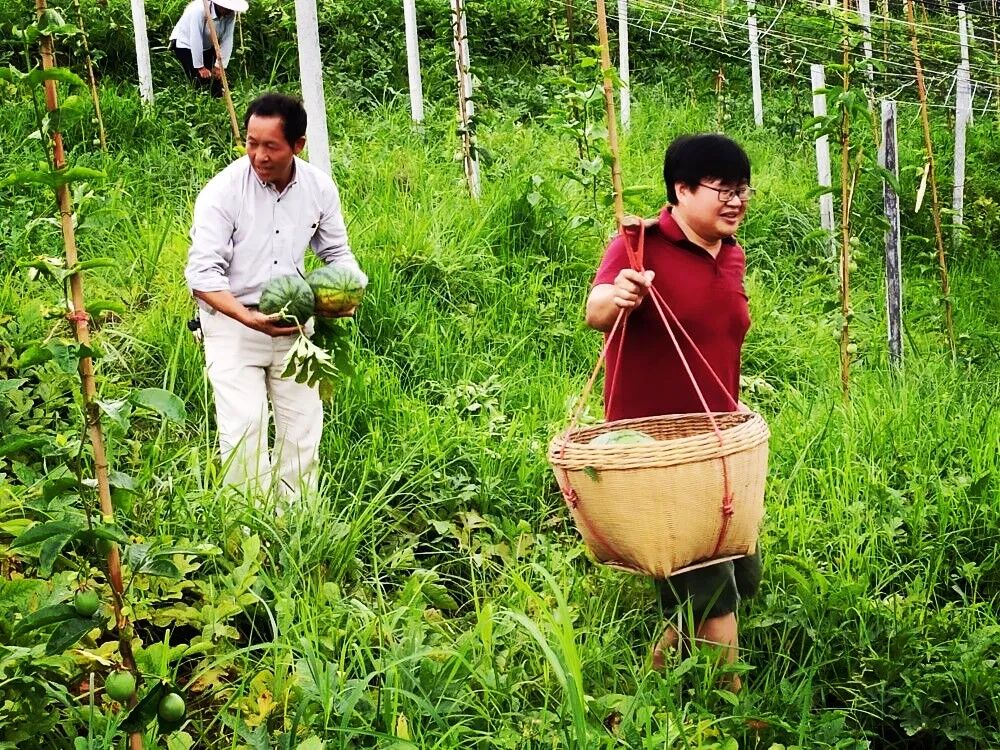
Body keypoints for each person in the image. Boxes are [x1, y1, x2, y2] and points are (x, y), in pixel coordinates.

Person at [585, 133, 761, 688]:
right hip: (656, 452)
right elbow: (595, 310)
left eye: (742, 190)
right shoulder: (639, 244)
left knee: (741, 568)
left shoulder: (732, 255)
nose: (734, 200)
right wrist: (623, 295)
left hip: (717, 441)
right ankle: (731, 705)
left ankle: (654, 680)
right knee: (713, 587)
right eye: (721, 189)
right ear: (681, 190)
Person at [184, 92, 366, 502]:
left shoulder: (318, 187)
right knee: (244, 428)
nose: (258, 155)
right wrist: (248, 320)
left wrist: (348, 290)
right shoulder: (223, 192)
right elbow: (201, 275)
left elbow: (336, 253)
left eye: (271, 146)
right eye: (251, 142)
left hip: (296, 327)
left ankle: (297, 523)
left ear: (297, 145)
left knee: (302, 430)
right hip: (232, 324)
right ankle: (246, 528)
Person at [169, 0, 247, 98]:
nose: (228, 11)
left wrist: (220, 66)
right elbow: (195, 37)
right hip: (186, 44)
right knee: (200, 80)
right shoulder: (199, 10)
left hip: (208, 45)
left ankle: (218, 99)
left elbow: (228, 38)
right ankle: (199, 101)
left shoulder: (230, 13)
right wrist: (200, 67)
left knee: (216, 78)